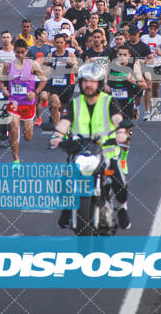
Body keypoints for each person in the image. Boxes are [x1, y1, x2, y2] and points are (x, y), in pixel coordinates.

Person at [51, 62, 132, 230]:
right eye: (85, 81)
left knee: (117, 178)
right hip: (81, 152)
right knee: (65, 180)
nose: (88, 84)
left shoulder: (109, 101)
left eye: (92, 81)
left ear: (100, 83)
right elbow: (65, 122)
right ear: (80, 83)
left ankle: (123, 208)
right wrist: (57, 136)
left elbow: (117, 119)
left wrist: (121, 133)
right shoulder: (75, 103)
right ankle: (66, 210)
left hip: (107, 153)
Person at [0, 39, 45, 165]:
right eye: (18, 52)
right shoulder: (9, 65)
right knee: (13, 128)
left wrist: (35, 92)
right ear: (14, 51)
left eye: (22, 52)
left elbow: (44, 80)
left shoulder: (33, 64)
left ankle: (19, 137)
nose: (20, 55)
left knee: (28, 137)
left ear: (26, 51)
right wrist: (4, 90)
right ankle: (16, 160)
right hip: (13, 102)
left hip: (28, 103)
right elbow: (0, 81)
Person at [41, 33, 78, 129]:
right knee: (55, 102)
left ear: (65, 43)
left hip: (67, 85)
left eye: (61, 42)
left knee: (63, 108)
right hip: (54, 84)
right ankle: (57, 129)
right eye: (56, 42)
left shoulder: (70, 55)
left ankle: (63, 125)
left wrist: (71, 64)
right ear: (54, 44)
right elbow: (43, 69)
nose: (58, 44)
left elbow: (77, 70)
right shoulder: (51, 55)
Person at [141, 20, 161, 121]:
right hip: (147, 66)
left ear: (157, 30)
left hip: (157, 66)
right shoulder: (143, 38)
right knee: (148, 87)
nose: (152, 31)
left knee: (155, 89)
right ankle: (147, 111)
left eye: (154, 29)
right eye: (151, 28)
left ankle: (155, 108)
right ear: (148, 29)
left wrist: (160, 54)